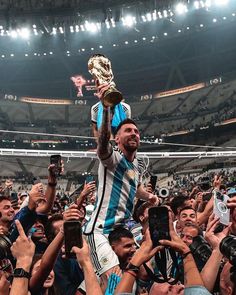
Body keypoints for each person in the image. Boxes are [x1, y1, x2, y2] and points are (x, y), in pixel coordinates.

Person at [84, 84, 158, 287]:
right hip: (100, 229)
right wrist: (107, 107)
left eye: (136, 131)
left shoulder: (135, 165)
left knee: (146, 272)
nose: (134, 133)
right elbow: (102, 140)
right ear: (117, 138)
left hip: (125, 227)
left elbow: (135, 188)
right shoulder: (111, 158)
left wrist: (149, 197)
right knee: (114, 281)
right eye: (127, 131)